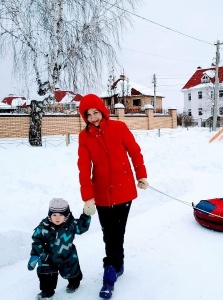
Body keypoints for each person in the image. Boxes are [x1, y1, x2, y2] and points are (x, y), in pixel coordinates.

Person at [77, 94, 148, 299]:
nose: (92, 118)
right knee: (110, 233)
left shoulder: (119, 128)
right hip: (100, 195)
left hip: (124, 190)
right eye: (88, 115)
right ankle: (114, 267)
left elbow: (135, 152)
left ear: (103, 111)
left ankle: (113, 268)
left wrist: (141, 175)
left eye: (95, 112)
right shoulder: (85, 137)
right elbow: (83, 168)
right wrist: (87, 197)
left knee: (117, 232)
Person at [28, 198, 91, 300]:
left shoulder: (71, 225)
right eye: (54, 215)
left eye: (61, 215)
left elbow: (81, 227)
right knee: (46, 274)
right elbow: (37, 240)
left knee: (72, 272)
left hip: (67, 255)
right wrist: (35, 254)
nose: (57, 218)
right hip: (48, 256)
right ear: (50, 215)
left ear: (66, 215)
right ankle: (47, 292)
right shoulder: (44, 227)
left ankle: (74, 283)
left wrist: (86, 215)